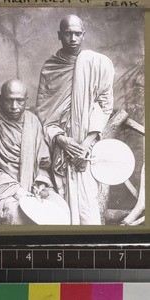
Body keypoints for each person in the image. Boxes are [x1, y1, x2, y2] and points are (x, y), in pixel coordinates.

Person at [36, 15, 115, 225]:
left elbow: (105, 105)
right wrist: (62, 140)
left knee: (88, 212)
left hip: (87, 150)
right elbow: (44, 113)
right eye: (68, 33)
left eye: (77, 33)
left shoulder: (97, 64)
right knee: (60, 210)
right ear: (59, 35)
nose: (73, 38)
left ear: (84, 35)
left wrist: (85, 144)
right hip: (60, 147)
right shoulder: (51, 67)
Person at [0, 79, 55, 225]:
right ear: (1, 99)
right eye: (9, 101)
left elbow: (42, 163)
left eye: (19, 101)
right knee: (16, 214)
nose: (14, 107)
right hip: (4, 190)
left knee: (57, 208)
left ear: (26, 100)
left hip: (32, 186)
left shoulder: (33, 122)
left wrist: (41, 183)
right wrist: (16, 190)